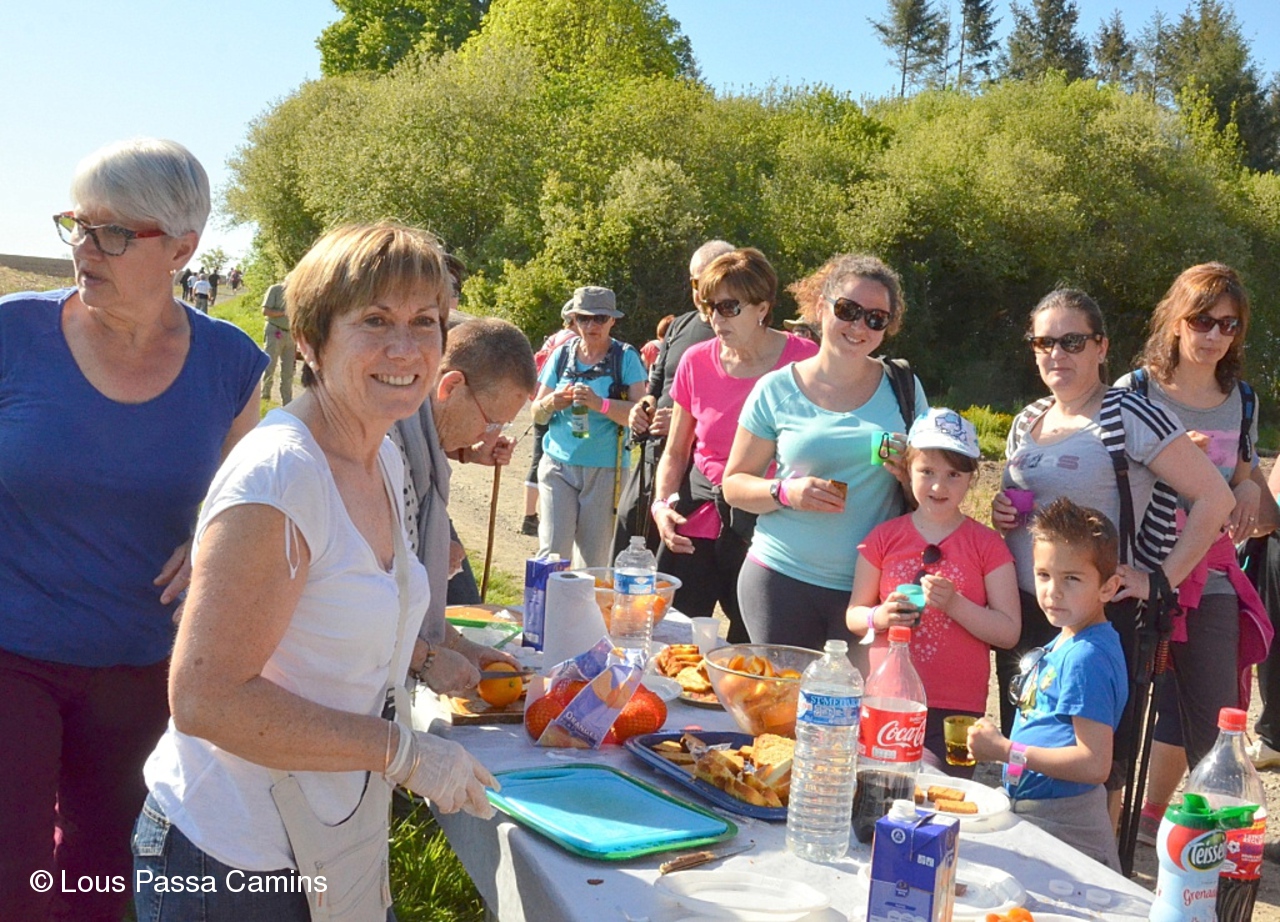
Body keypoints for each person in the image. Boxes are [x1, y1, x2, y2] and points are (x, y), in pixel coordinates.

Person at [135, 223, 497, 921]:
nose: (405, 348)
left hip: (329, 841)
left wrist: (435, 656)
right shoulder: (282, 476)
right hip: (229, 860)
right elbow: (205, 699)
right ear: (309, 340)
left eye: (424, 322)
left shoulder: (382, 454)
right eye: (375, 321)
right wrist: (402, 754)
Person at [0, 138, 266, 922]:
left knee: (100, 877)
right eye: (79, 225)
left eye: (113, 232)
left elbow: (248, 500)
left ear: (182, 249)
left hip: (143, 664)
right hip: (11, 655)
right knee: (12, 879)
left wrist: (214, 541)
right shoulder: (12, 335)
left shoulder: (231, 364)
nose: (85, 248)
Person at [993, 288, 1234, 824]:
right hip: (1029, 611)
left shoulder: (1130, 414)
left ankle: (1096, 859)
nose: (1056, 353)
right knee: (1028, 749)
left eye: (1072, 341)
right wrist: (1000, 510)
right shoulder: (1027, 419)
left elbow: (1216, 498)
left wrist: (1159, 580)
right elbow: (1022, 504)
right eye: (1044, 342)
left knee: (1098, 762)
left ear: (1101, 347)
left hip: (1102, 616)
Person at [1115, 263, 1274, 841]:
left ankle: (1208, 844)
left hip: (1211, 577)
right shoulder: (1135, 390)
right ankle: (1108, 829)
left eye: (1228, 325)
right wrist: (1176, 458)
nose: (1214, 335)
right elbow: (1112, 478)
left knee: (1215, 717)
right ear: (1176, 320)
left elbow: (1243, 476)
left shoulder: (1243, 399)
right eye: (1202, 320)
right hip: (1140, 570)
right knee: (1124, 712)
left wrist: (1249, 488)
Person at [722, 253, 927, 673]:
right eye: (847, 310)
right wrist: (786, 492)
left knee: (851, 705)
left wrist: (908, 477)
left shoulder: (903, 387)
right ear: (821, 307)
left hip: (868, 591)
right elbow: (734, 485)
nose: (858, 327)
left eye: (875, 318)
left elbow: (933, 488)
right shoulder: (776, 389)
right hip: (779, 578)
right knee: (782, 706)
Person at [649, 248, 815, 642]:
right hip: (698, 517)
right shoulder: (695, 360)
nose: (715, 319)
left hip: (770, 524)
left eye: (728, 307)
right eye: (709, 307)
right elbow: (676, 451)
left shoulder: (805, 360)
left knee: (757, 648)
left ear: (763, 307)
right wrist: (661, 504)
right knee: (671, 639)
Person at [846, 408, 1019, 773]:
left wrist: (955, 604)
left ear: (971, 478)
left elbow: (1008, 632)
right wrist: (880, 615)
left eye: (953, 474)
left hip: (956, 707)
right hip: (888, 697)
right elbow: (854, 615)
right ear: (908, 470)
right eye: (927, 471)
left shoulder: (987, 545)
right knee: (879, 786)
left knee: (937, 792)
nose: (939, 487)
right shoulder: (883, 538)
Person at [968, 498, 1129, 870]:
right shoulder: (1066, 639)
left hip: (1068, 825)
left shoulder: (1087, 656)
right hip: (1036, 812)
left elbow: (1094, 764)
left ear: (1108, 587)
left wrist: (1007, 750)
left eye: (1071, 578)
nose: (1053, 591)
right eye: (1043, 575)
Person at [393, 317, 537, 694]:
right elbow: (364, 599)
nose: (489, 438)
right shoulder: (382, 452)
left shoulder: (417, 442)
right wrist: (428, 658)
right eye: (490, 422)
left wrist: (460, 646)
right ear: (451, 386)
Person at [617, 240, 732, 556]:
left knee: (669, 556)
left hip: (695, 472)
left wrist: (685, 424)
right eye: (694, 282)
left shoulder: (738, 333)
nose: (699, 292)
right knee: (627, 540)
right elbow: (656, 385)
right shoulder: (681, 324)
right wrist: (642, 408)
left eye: (707, 281)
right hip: (654, 457)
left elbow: (735, 408)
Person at [531, 286, 647, 567]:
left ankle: (586, 599)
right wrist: (551, 403)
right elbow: (536, 413)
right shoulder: (561, 354)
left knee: (593, 561)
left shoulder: (625, 357)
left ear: (612, 320)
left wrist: (600, 404)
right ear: (574, 319)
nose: (591, 325)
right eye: (583, 318)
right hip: (558, 466)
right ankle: (545, 598)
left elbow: (639, 415)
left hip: (605, 470)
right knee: (552, 555)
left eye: (600, 318)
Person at [521, 306, 577, 536]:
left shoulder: (554, 338)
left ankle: (529, 516)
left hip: (540, 401)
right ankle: (538, 517)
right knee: (548, 458)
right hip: (557, 405)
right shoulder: (572, 343)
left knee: (538, 456)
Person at [261, 275, 295, 404]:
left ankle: (287, 400)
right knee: (270, 363)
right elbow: (265, 311)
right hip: (275, 330)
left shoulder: (297, 295)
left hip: (291, 334)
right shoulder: (275, 289)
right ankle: (265, 394)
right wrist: (284, 312)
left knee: (288, 370)